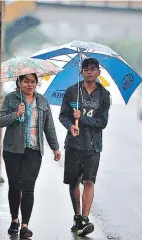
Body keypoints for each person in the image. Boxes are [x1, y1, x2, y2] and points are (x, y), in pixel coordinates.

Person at [1, 73, 61, 239]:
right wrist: (16, 114)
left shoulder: (42, 101)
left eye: (33, 81)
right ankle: (14, 220)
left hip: (34, 150)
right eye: (26, 81)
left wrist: (55, 147)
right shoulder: (10, 99)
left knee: (28, 187)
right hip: (12, 150)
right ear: (19, 82)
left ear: (37, 83)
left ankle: (25, 225)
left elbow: (49, 126)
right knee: (14, 186)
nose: (29, 85)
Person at [59, 58, 111, 236]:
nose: (89, 72)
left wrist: (81, 118)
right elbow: (63, 116)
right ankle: (77, 216)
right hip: (73, 144)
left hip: (93, 146)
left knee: (88, 182)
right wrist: (70, 125)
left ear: (98, 73)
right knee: (73, 182)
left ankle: (85, 219)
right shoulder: (72, 91)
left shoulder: (104, 95)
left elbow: (102, 122)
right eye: (86, 69)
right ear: (81, 72)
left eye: (93, 69)